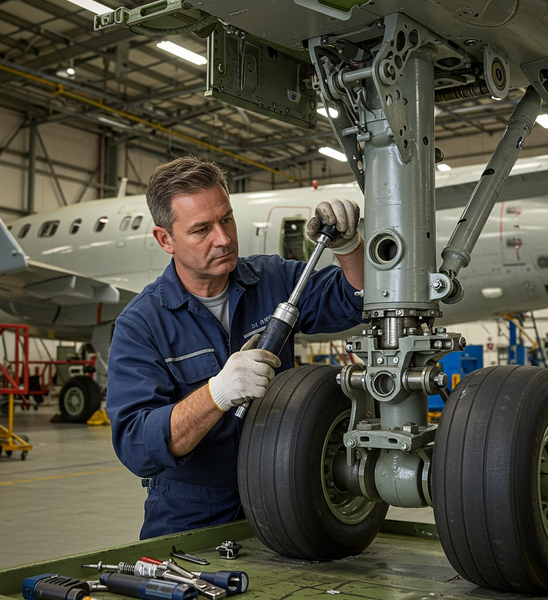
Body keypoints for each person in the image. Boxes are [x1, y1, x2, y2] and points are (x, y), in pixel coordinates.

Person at [106, 156, 365, 539]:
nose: (223, 238)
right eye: (201, 229)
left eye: (226, 219)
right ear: (166, 239)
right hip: (192, 514)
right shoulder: (141, 324)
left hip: (283, 495)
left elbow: (357, 299)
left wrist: (349, 246)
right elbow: (137, 447)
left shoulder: (274, 280)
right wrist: (217, 393)